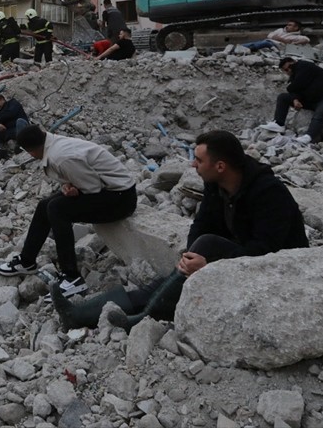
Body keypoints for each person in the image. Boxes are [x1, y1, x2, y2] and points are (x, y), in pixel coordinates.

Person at [52, 129, 308, 331]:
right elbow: (202, 223)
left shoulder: (269, 193)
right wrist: (192, 255)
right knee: (181, 268)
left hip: (277, 270)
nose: (193, 165)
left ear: (220, 166)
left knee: (201, 251)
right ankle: (81, 314)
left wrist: (208, 264)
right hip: (242, 256)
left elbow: (267, 250)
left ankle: (140, 317)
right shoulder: (216, 183)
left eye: (198, 159)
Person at [0, 125, 138, 298]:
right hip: (109, 190)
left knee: (57, 209)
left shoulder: (61, 157)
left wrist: (75, 190)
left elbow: (92, 188)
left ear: (31, 152)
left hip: (121, 199)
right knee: (45, 205)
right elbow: (84, 180)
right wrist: (70, 187)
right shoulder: (54, 144)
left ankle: (72, 278)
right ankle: (27, 261)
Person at [259, 57, 323, 143]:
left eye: (289, 68)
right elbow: (298, 88)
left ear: (293, 62)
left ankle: (309, 136)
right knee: (283, 97)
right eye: (285, 70)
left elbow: (297, 85)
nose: (288, 71)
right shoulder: (295, 75)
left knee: (320, 113)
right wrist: (295, 99)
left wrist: (290, 90)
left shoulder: (304, 66)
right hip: (314, 101)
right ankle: (279, 123)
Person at [0, 93, 30, 160]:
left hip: (22, 129)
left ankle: (20, 145)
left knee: (19, 121)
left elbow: (11, 113)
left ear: (2, 99)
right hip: (8, 132)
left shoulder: (13, 103)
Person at [241, 20, 311, 52]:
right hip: (270, 42)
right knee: (259, 42)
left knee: (265, 43)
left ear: (296, 28)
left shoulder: (297, 36)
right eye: (287, 24)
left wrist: (295, 43)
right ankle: (240, 47)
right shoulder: (280, 30)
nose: (287, 26)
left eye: (290, 25)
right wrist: (282, 40)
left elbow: (306, 39)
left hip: (277, 47)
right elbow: (270, 35)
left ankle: (246, 49)